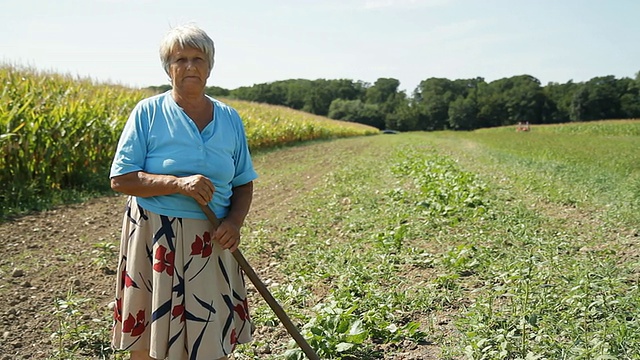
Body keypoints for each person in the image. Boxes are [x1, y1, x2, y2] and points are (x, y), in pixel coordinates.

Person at [109, 24, 257, 360]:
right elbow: (121, 179)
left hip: (211, 237)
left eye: (198, 58)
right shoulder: (148, 113)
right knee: (149, 340)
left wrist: (233, 222)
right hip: (156, 235)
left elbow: (243, 182)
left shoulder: (230, 118)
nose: (190, 66)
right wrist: (178, 184)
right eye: (180, 59)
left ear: (209, 65)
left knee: (210, 335)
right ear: (168, 67)